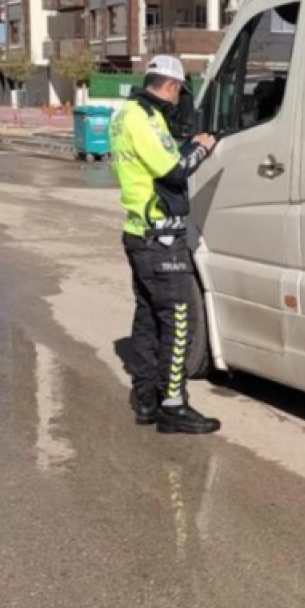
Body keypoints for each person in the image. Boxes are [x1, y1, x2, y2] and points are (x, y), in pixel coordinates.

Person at [110, 55, 220, 434]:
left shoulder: (128, 114)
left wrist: (182, 145)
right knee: (177, 319)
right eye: (179, 92)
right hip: (161, 237)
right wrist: (202, 148)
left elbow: (159, 157)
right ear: (171, 86)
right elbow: (174, 170)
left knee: (147, 320)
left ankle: (146, 399)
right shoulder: (144, 119)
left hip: (141, 232)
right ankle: (173, 405)